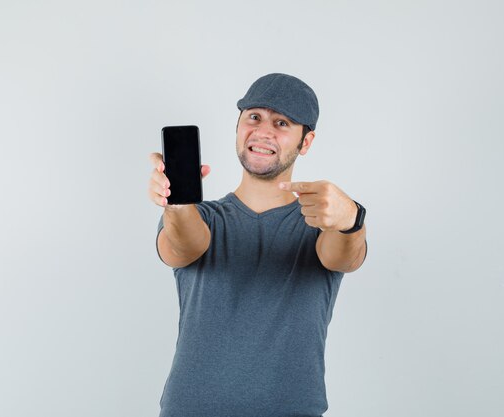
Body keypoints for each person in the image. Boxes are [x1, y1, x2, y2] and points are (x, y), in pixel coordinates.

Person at [148, 73, 368, 417]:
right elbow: (184, 245)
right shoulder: (201, 217)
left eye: (281, 123)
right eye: (254, 117)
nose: (263, 131)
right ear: (238, 126)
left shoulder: (322, 221)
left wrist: (352, 219)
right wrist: (175, 204)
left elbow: (344, 257)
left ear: (305, 142)